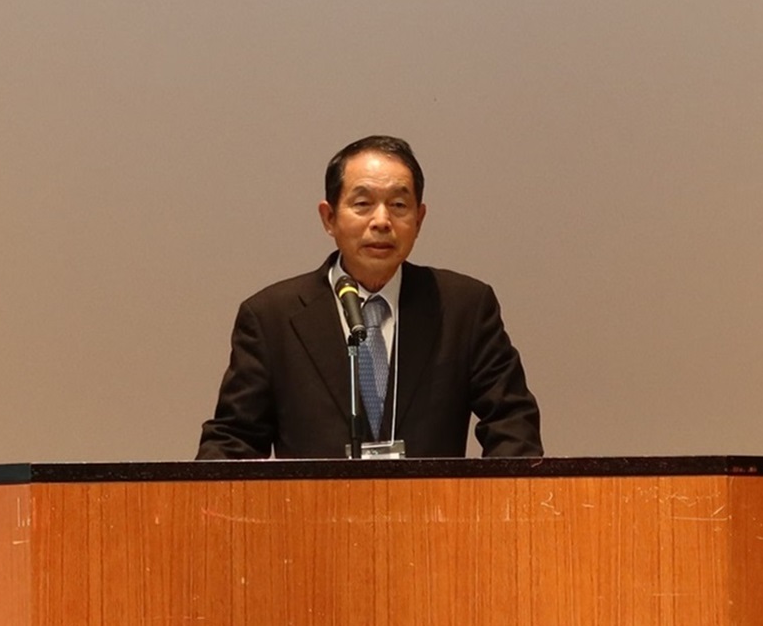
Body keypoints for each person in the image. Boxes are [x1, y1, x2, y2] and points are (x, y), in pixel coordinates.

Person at [195, 135, 542, 459]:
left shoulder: (463, 307)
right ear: (329, 218)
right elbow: (233, 440)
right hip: (314, 506)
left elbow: (513, 423)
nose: (382, 221)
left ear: (419, 219)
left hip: (432, 506)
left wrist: (499, 498)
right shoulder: (271, 317)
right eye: (362, 204)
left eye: (399, 205)